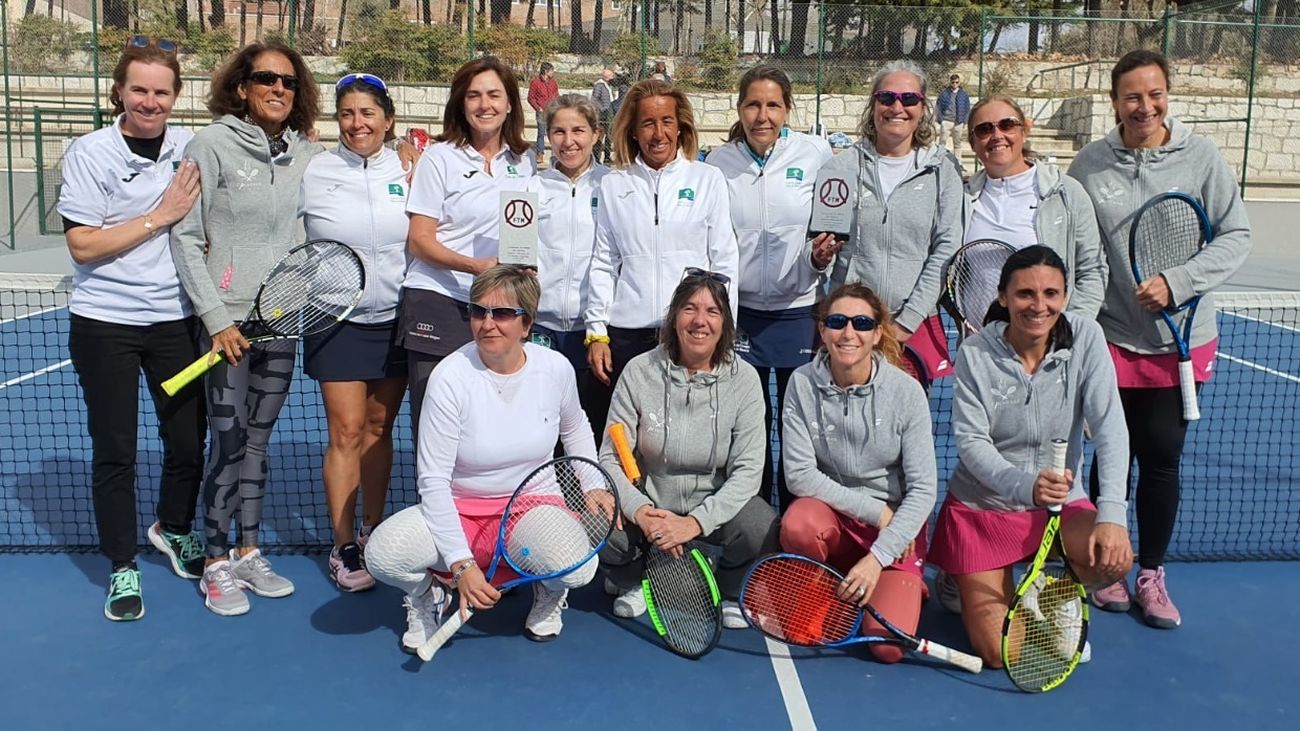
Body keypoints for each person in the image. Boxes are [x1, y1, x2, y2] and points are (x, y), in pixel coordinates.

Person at [1068, 50, 1251, 628]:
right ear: (1115, 101)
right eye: (1132, 96)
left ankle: (1150, 572)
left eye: (1155, 94)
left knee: (1162, 457)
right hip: (1112, 335)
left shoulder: (1201, 158)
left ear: (1167, 96)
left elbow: (1236, 235)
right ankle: (1107, 567)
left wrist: (1179, 282)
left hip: (1181, 341)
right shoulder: (1089, 165)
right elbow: (1075, 243)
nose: (1145, 106)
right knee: (1111, 457)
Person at [365, 266, 600, 652]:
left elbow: (575, 428)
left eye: (503, 313)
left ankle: (548, 590)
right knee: (383, 556)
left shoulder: (555, 368)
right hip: (460, 510)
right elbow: (433, 481)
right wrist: (461, 565)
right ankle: (427, 595)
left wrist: (592, 485)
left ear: (527, 324)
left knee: (578, 569)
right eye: (479, 312)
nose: (488, 323)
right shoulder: (449, 378)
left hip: (530, 508)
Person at [171, 40, 323, 616]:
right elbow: (186, 238)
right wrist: (216, 320)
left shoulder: (307, 153)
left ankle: (247, 551)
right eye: (266, 78)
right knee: (229, 443)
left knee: (259, 443)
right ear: (242, 86)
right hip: (228, 326)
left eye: (288, 81)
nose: (278, 88)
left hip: (278, 323)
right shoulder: (208, 145)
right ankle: (214, 562)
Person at [927, 245, 1134, 668]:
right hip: (984, 510)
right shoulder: (975, 353)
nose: (1039, 306)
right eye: (1025, 294)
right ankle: (959, 578)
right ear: (1003, 297)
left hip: (1060, 506)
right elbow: (971, 443)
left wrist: (1113, 513)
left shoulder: (1087, 338)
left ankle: (1051, 595)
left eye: (1050, 293)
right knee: (1002, 654)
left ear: (1065, 296)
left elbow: (1111, 428)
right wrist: (1025, 486)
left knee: (1114, 559)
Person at [57, 35, 205, 621]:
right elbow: (83, 245)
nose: (150, 101)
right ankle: (122, 564)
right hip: (106, 325)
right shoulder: (89, 152)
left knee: (188, 442)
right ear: (119, 91)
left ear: (176, 96)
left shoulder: (191, 148)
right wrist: (159, 216)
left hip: (176, 323)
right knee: (115, 449)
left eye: (161, 92)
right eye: (139, 90)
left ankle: (174, 527)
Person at [598, 272, 779, 629]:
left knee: (761, 523)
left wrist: (694, 523)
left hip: (708, 514)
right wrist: (642, 512)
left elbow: (747, 473)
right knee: (597, 522)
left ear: (725, 323)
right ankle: (632, 579)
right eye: (689, 308)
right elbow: (611, 456)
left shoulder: (745, 380)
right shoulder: (638, 371)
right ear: (673, 317)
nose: (700, 321)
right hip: (649, 511)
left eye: (712, 311)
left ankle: (730, 589)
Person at [780, 283, 936, 663]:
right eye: (837, 322)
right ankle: (829, 576)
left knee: (886, 647)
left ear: (877, 333)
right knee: (799, 524)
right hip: (838, 519)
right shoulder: (801, 383)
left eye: (862, 323)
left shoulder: (907, 392)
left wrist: (879, 555)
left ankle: (899, 582)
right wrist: (875, 511)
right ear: (822, 330)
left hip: (894, 533)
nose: (848, 333)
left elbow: (923, 490)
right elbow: (799, 476)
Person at [299, 72, 409, 592]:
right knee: (345, 431)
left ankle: (372, 530)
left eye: (367, 113)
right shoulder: (314, 171)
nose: (357, 123)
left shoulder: (411, 169)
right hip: (334, 318)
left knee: (379, 429)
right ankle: (342, 544)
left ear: (388, 120)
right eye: (347, 113)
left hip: (397, 318)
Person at [704, 65, 832, 512]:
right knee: (749, 425)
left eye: (773, 105)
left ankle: (798, 517)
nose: (763, 115)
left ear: (787, 109)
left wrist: (818, 257)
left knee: (797, 423)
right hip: (742, 316)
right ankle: (754, 520)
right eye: (753, 105)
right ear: (739, 108)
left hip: (799, 311)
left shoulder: (815, 154)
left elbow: (827, 224)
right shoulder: (718, 163)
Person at [402, 57, 535, 440]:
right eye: (474, 96)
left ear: (509, 103)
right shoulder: (438, 158)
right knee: (436, 425)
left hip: (498, 307)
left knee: (490, 424)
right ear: (461, 104)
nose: (484, 104)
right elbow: (419, 240)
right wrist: (476, 266)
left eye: (494, 95)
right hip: (438, 299)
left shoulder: (525, 161)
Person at [585, 79, 739, 402]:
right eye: (648, 123)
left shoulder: (707, 179)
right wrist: (597, 331)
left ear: (680, 126)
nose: (658, 134)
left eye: (666, 121)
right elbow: (604, 262)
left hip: (690, 333)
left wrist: (723, 329)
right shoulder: (614, 184)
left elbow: (724, 261)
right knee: (629, 429)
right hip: (628, 334)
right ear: (633, 131)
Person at [812, 60, 964, 383]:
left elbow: (946, 249)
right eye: (887, 98)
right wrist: (819, 257)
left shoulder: (943, 170)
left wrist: (906, 322)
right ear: (874, 105)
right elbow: (820, 247)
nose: (897, 107)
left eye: (909, 99)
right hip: (849, 328)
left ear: (922, 109)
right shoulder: (840, 168)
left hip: (911, 329)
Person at [964, 94, 1107, 318]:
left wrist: (1070, 327)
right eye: (984, 129)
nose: (997, 135)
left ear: (1024, 131)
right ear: (973, 143)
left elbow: (1092, 270)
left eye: (1007, 125)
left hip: (1049, 336)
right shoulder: (962, 199)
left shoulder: (1067, 193)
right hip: (980, 337)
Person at [528, 94, 610, 438]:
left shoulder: (612, 186)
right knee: (543, 433)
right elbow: (517, 259)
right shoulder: (531, 187)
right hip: (542, 330)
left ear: (596, 134)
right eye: (559, 131)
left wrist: (599, 328)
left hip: (595, 333)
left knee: (593, 431)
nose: (568, 141)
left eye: (578, 130)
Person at [527, 61, 559, 165]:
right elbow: (530, 98)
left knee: (554, 132)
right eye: (551, 71)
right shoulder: (535, 82)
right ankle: (539, 154)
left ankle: (556, 154)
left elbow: (557, 95)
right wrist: (538, 108)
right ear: (546, 71)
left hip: (552, 111)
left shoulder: (553, 83)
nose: (553, 72)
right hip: (541, 112)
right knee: (541, 133)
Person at [936, 73, 971, 155]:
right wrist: (941, 119)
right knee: (942, 143)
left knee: (957, 144)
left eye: (957, 82)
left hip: (958, 122)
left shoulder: (963, 94)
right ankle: (939, 158)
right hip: (946, 121)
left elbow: (967, 108)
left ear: (959, 82)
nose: (955, 84)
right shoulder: (944, 93)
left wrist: (965, 121)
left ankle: (958, 161)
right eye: (953, 82)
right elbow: (938, 106)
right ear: (950, 82)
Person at [591, 68, 615, 164]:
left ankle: (607, 157)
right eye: (611, 75)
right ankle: (596, 158)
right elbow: (594, 99)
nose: (613, 77)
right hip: (602, 115)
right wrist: (602, 109)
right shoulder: (599, 85)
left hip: (609, 114)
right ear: (606, 76)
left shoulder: (609, 85)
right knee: (600, 136)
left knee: (608, 136)